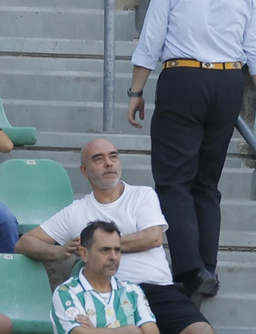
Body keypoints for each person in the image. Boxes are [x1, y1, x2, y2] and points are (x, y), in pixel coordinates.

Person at [127, 0, 256, 299]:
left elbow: (151, 41)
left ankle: (190, 270)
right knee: (207, 183)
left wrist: (136, 90)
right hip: (228, 81)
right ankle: (209, 266)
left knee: (174, 180)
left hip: (184, 77)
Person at [22, 140, 213, 334]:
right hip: (105, 294)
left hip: (158, 289)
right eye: (98, 159)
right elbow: (25, 242)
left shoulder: (141, 195)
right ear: (84, 170)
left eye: (113, 156)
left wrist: (98, 246)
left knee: (201, 330)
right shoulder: (75, 212)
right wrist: (59, 251)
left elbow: (153, 237)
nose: (108, 163)